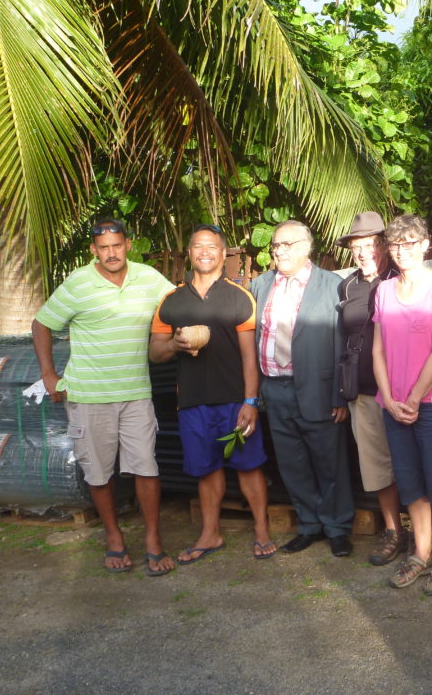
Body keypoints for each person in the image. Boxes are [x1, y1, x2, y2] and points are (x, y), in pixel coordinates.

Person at [32, 219, 175, 576]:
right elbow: (42, 323)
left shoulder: (149, 278)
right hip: (88, 395)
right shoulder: (78, 282)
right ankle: (114, 536)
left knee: (147, 467)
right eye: (104, 247)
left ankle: (153, 540)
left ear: (128, 245)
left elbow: (178, 304)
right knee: (98, 473)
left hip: (136, 393)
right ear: (94, 250)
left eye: (117, 245)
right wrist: (49, 375)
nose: (111, 253)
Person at [149, 224, 275, 563]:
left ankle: (262, 530)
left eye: (212, 246)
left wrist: (251, 402)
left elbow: (250, 357)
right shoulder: (171, 301)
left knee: (249, 466)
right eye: (198, 246)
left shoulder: (239, 296)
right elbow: (155, 352)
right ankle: (210, 533)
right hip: (193, 402)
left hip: (235, 400)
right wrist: (174, 345)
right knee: (206, 469)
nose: (205, 252)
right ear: (189, 253)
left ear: (222, 253)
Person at [250, 220, 354, 557]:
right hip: (274, 389)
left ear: (307, 247)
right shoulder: (260, 285)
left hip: (318, 389)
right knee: (292, 463)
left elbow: (342, 344)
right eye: (276, 245)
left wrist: (340, 395)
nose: (280, 251)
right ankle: (309, 525)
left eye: (287, 244)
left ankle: (337, 527)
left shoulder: (331, 285)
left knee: (329, 462)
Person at [372, 214, 432, 595]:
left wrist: (411, 400)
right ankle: (420, 553)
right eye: (395, 244)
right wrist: (390, 400)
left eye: (410, 242)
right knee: (409, 482)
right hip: (393, 404)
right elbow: (377, 350)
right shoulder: (383, 290)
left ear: (426, 244)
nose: (402, 251)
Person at [336, 212, 405, 565]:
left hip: (403, 390)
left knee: (411, 462)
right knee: (376, 466)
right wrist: (339, 392)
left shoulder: (401, 278)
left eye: (371, 245)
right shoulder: (347, 286)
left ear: (385, 246)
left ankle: (429, 534)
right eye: (356, 247)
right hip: (363, 392)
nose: (364, 253)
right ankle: (393, 531)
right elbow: (340, 339)